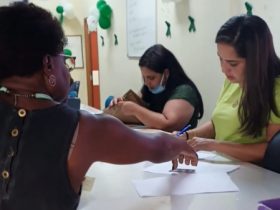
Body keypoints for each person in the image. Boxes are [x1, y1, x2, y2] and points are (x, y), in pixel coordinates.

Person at [0, 3, 197, 210]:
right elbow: (159, 147)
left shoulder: (183, 91)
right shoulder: (85, 128)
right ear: (48, 64)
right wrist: (179, 145)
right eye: (65, 62)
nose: (68, 70)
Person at [179, 15, 280, 163]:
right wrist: (188, 136)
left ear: (256, 60)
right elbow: (218, 123)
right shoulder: (232, 81)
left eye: (233, 64)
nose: (223, 69)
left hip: (253, 175)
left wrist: (213, 145)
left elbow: (271, 151)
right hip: (222, 164)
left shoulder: (276, 91)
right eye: (220, 59)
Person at [110, 44, 204, 132]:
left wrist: (134, 109)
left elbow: (167, 124)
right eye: (144, 78)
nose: (146, 83)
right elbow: (135, 103)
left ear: (166, 74)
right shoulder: (149, 87)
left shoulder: (185, 91)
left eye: (151, 78)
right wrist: (121, 103)